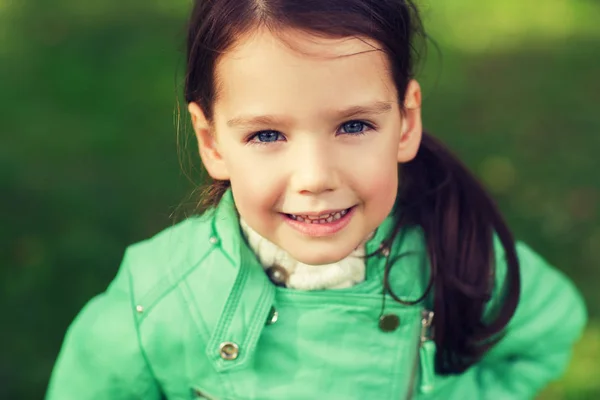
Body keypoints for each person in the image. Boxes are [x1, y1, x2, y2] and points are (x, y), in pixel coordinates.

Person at [46, 0, 587, 398]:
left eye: (353, 125)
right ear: (212, 142)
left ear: (405, 122)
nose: (314, 177)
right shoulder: (158, 302)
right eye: (266, 135)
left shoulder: (460, 255)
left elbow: (547, 332)